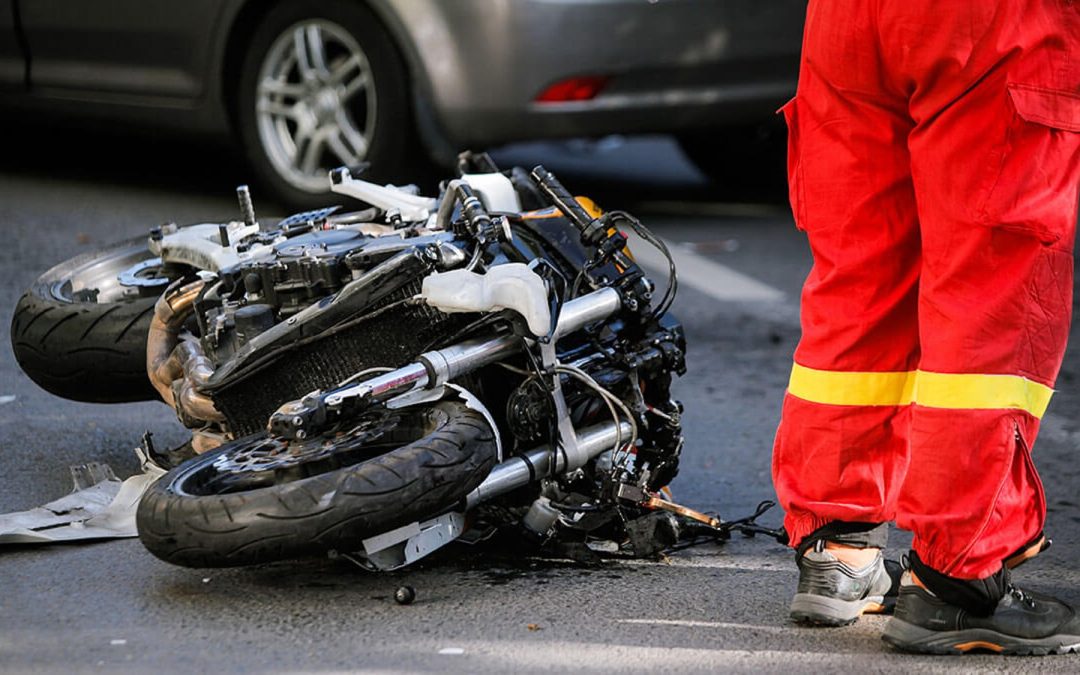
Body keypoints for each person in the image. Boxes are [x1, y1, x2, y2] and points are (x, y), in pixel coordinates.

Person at [772, 0, 1080, 654]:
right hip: (993, 25)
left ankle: (841, 546)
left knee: (863, 269)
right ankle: (955, 579)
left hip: (850, 20)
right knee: (989, 286)